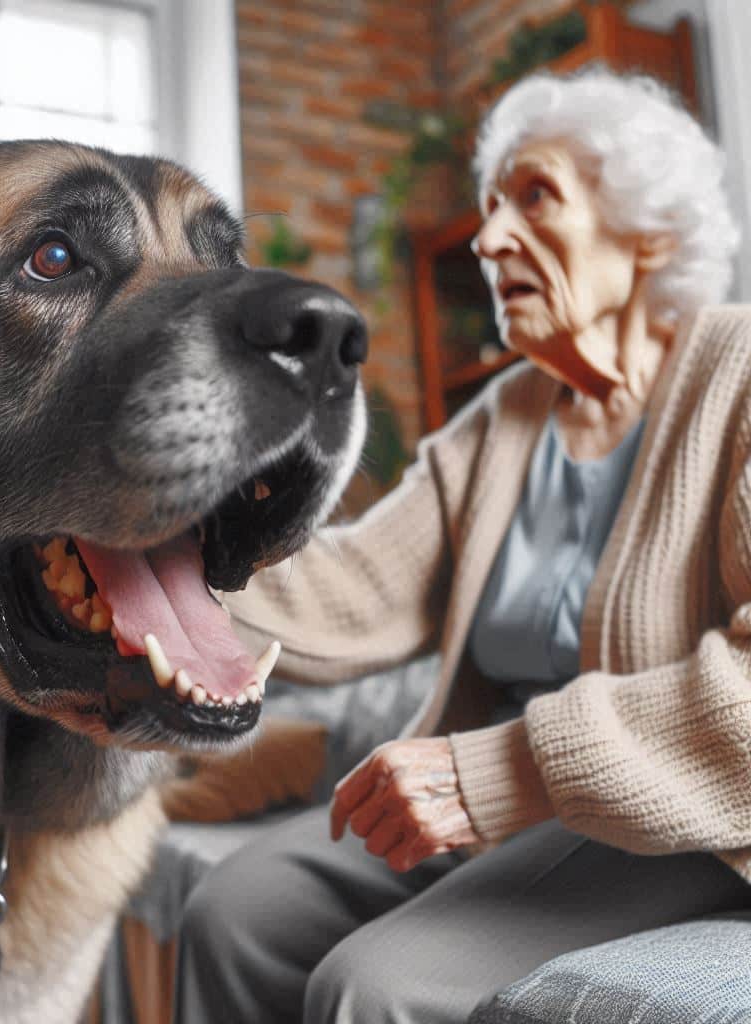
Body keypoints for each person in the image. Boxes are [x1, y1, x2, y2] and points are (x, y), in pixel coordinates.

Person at [172, 67, 751, 1024]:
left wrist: (504, 770)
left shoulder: (737, 373)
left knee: (374, 988)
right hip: (520, 808)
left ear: (650, 229)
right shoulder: (505, 419)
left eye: (535, 197)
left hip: (685, 817)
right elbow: (353, 589)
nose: (488, 241)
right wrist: (164, 550)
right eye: (487, 212)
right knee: (236, 911)